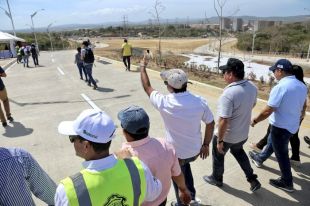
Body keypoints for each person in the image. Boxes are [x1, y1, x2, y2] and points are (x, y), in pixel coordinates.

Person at [140, 60, 215, 206]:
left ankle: (183, 202)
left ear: (170, 86)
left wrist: (143, 67)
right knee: (185, 170)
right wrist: (206, 144)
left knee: (178, 176)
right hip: (194, 151)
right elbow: (210, 123)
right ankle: (192, 198)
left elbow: (147, 87)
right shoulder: (199, 101)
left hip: (176, 154)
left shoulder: (164, 102)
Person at [56, 109, 162, 206]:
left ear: (86, 145)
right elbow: (155, 192)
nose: (72, 142)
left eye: (72, 138)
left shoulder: (67, 190)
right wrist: (133, 162)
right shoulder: (138, 168)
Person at [249, 59, 307, 193]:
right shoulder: (302, 85)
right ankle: (259, 158)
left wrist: (255, 120)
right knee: (272, 142)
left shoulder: (281, 87)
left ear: (280, 71)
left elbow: (268, 110)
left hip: (280, 127)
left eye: (274, 70)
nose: (274, 73)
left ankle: (287, 182)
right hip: (292, 125)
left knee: (282, 154)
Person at [203, 58, 261, 192]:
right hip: (242, 134)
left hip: (227, 136)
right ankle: (252, 179)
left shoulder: (229, 93)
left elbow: (224, 120)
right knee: (240, 153)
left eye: (224, 72)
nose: (223, 75)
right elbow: (252, 104)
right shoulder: (252, 87)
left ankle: (216, 178)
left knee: (219, 156)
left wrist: (220, 140)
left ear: (230, 74)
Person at [117, 105, 191, 206]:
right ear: (148, 126)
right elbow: (177, 174)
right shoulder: (166, 145)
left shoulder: (123, 158)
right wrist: (183, 189)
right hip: (161, 200)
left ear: (125, 132)